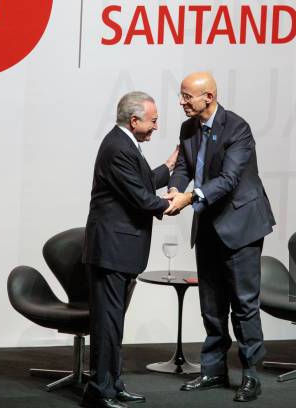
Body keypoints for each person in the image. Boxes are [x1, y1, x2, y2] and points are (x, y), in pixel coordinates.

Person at [165, 72, 276, 402]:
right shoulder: (188, 128)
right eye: (182, 96)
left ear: (208, 98)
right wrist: (175, 188)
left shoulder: (237, 128)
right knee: (211, 304)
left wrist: (189, 199)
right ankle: (213, 370)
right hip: (208, 224)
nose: (182, 102)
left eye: (187, 97)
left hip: (241, 226)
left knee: (243, 304)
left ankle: (251, 374)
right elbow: (185, 166)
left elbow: (228, 180)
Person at [82, 91, 178, 408]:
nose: (155, 127)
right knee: (107, 324)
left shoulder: (124, 144)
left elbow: (142, 181)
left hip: (119, 251)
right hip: (111, 251)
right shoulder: (117, 147)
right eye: (153, 121)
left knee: (114, 324)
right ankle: (99, 391)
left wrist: (167, 166)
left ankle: (113, 384)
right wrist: (178, 202)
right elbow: (141, 197)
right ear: (134, 120)